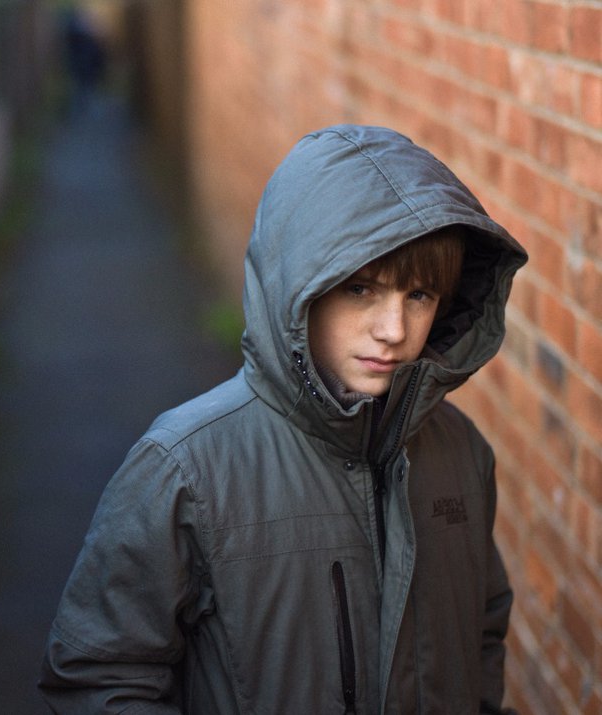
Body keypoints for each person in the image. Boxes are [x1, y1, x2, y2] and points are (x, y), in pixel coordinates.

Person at [39, 124, 527, 713]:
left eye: (418, 295)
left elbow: (481, 633)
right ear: (298, 288)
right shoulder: (185, 467)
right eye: (360, 289)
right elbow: (100, 675)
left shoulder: (460, 450)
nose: (394, 330)